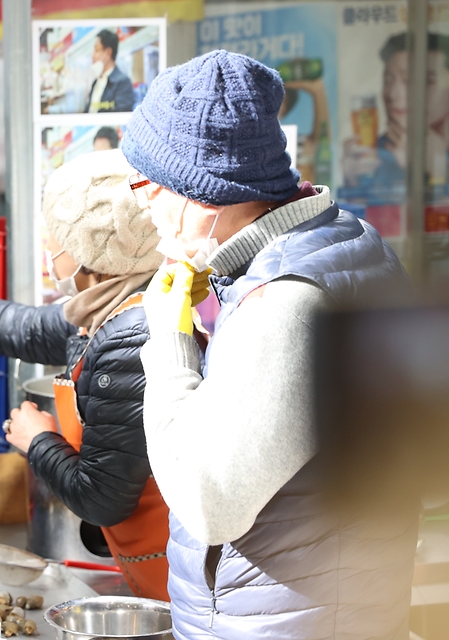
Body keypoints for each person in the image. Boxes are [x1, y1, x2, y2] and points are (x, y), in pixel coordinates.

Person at [121, 50, 419, 637]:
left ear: (202, 192)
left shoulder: (288, 300)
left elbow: (211, 502)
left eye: (146, 186)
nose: (143, 207)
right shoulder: (343, 238)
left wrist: (172, 339)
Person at [0, 149, 173, 600]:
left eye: (55, 241)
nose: (49, 253)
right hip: (140, 561)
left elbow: (102, 499)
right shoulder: (109, 304)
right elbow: (29, 329)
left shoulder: (130, 340)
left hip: (165, 571)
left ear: (89, 254)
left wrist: (37, 439)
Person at [342, 32, 449, 190]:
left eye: (423, 81)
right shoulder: (375, 153)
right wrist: (353, 184)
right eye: (388, 81)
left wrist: (433, 169)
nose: (393, 94)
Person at [85, 29, 134, 113]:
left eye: (97, 50)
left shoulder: (123, 83)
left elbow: (120, 115)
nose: (92, 56)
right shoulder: (96, 82)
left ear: (108, 53)